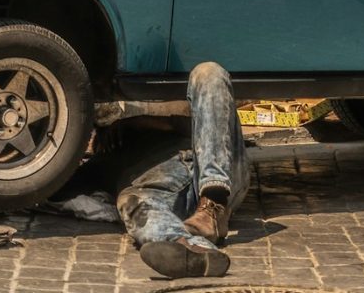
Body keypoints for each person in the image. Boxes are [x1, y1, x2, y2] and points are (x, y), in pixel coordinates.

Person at [66, 61, 249, 279]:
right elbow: (53, 191)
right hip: (174, 197)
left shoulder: (128, 128)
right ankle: (192, 249)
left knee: (209, 72)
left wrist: (137, 123)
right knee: (130, 200)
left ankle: (213, 206)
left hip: (217, 167)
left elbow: (205, 125)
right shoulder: (98, 167)